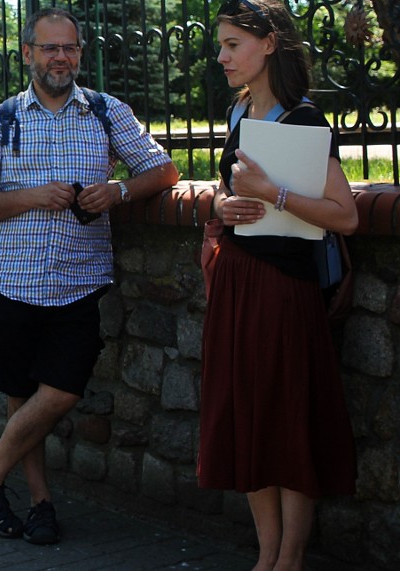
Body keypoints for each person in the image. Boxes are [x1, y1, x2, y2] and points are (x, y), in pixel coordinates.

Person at [0, 8, 179, 545]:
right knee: (21, 399)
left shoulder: (105, 112)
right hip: (10, 282)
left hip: (79, 281)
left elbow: (163, 169)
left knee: (59, 392)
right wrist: (34, 196)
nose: (61, 57)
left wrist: (118, 191)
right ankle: (40, 505)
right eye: (50, 48)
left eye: (70, 48)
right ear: (28, 53)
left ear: (79, 53)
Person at [199, 1, 357, 569]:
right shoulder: (240, 112)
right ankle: (265, 556)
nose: (222, 56)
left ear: (268, 45)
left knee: (287, 423)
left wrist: (273, 194)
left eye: (233, 44)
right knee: (247, 418)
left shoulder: (304, 121)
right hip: (237, 285)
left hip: (285, 293)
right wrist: (222, 202)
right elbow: (222, 195)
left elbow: (345, 216)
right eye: (221, 44)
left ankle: (289, 560)